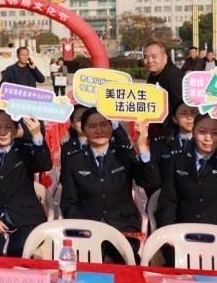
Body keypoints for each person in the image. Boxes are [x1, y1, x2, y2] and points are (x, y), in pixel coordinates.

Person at [59, 108, 158, 257]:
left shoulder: (124, 154)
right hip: (87, 228)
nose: (99, 130)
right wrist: (84, 227)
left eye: (104, 124)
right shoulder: (73, 161)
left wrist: (143, 147)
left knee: (127, 266)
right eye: (92, 126)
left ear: (112, 127)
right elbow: (68, 203)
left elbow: (150, 181)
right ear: (83, 130)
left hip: (123, 227)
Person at [0, 111, 52, 256]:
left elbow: (45, 164)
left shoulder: (25, 150)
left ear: (16, 130)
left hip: (26, 219)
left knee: (18, 250)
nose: (3, 132)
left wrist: (37, 135)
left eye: (8, 127)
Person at [156, 115, 217, 231]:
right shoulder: (177, 160)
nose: (208, 138)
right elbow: (168, 199)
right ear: (193, 132)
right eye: (202, 132)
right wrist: (168, 231)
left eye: (215, 133)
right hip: (184, 231)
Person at [143, 41, 184, 135]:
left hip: (171, 136)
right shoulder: (154, 75)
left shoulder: (173, 76)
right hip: (158, 134)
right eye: (146, 57)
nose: (149, 61)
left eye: (154, 56)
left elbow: (183, 108)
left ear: (165, 57)